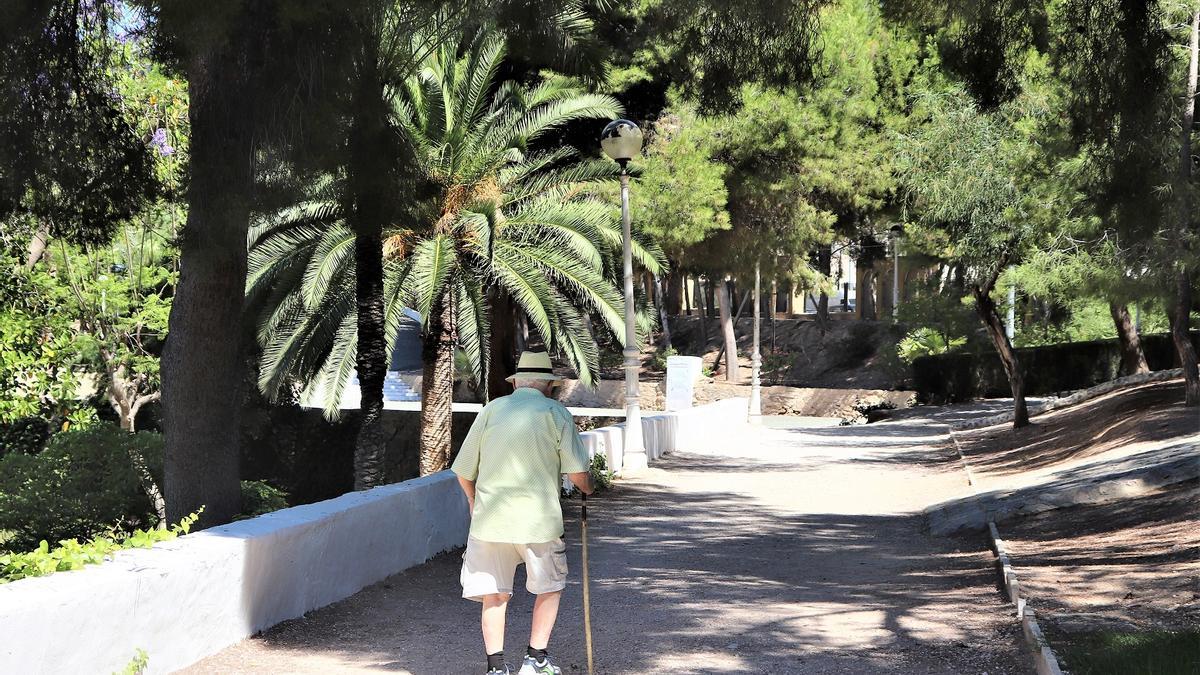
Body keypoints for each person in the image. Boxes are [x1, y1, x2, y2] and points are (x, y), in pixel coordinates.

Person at [451, 350, 595, 675]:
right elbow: (578, 475)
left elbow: (462, 470)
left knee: (494, 595)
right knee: (550, 586)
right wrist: (590, 486)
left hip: (490, 522)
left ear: (516, 383)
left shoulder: (492, 410)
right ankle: (536, 660)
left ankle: (496, 668)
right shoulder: (555, 412)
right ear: (548, 385)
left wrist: (475, 503)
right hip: (538, 523)